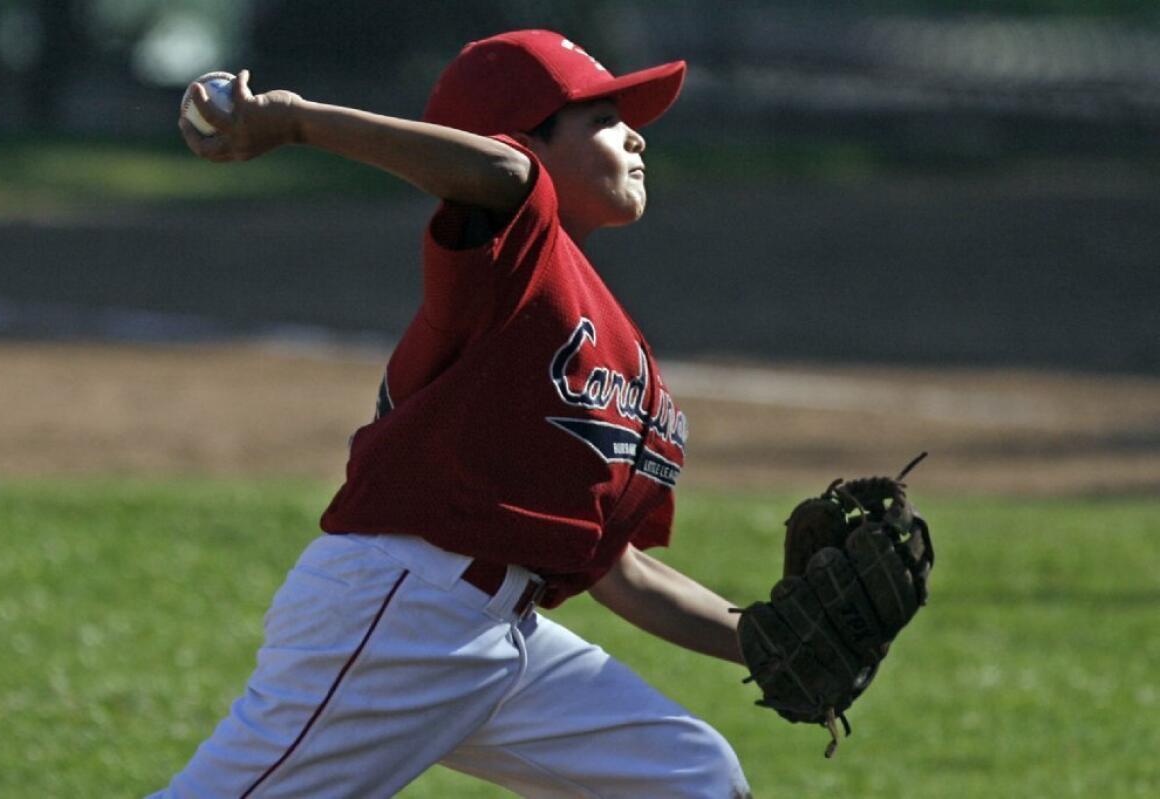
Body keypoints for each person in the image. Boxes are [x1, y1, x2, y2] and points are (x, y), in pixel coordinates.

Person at [157, 30, 752, 798]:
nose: (635, 133)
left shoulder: (615, 336)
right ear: (521, 138)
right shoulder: (507, 257)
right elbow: (502, 174)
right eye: (601, 117)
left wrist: (760, 642)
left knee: (693, 778)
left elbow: (619, 570)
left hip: (503, 635)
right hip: (405, 609)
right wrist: (294, 121)